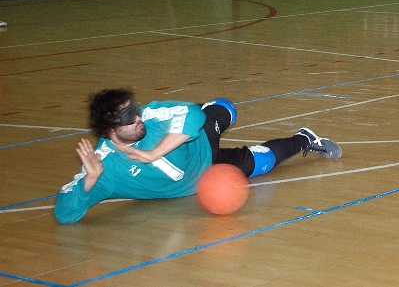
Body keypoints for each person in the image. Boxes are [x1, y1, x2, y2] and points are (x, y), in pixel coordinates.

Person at [55, 89, 340, 224]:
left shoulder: (153, 116)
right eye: (130, 117)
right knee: (263, 161)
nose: (139, 117)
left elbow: (191, 114)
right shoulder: (103, 167)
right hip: (208, 175)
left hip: (201, 140)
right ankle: (305, 138)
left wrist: (152, 153)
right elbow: (65, 213)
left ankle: (220, 112)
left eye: (136, 109)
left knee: (225, 109)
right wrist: (91, 181)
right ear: (110, 129)